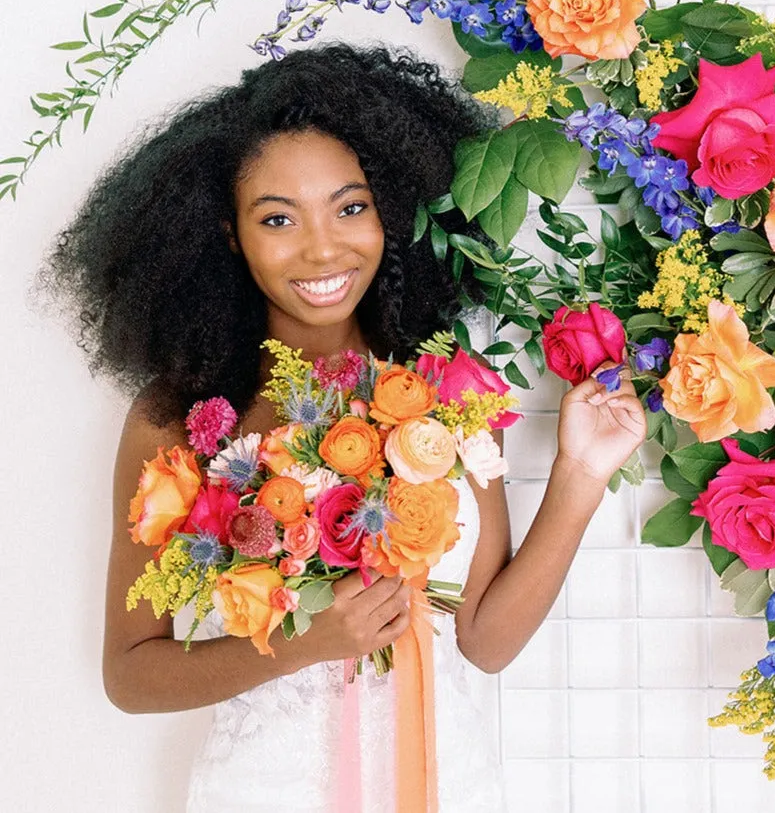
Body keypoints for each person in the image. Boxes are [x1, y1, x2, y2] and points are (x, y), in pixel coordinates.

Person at [47, 42, 646, 812]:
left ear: (390, 209)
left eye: (350, 206)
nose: (323, 247)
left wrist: (580, 474)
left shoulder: (448, 391)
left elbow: (485, 642)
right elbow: (130, 674)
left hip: (444, 781)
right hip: (265, 791)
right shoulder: (179, 417)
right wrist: (301, 645)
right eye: (277, 218)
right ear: (228, 235)